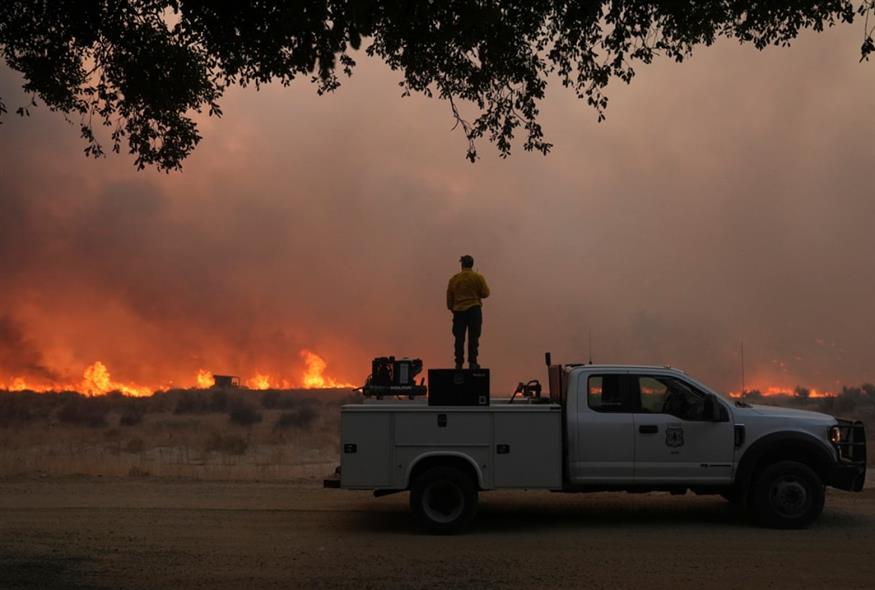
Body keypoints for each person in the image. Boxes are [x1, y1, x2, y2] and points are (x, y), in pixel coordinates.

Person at [446, 255, 490, 369]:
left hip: (459, 312)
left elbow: (449, 299)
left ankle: (459, 363)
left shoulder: (454, 279)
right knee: (474, 337)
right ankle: (473, 363)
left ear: (462, 264)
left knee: (459, 338)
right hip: (474, 310)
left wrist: (453, 308)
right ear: (472, 264)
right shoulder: (478, 278)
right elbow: (486, 293)